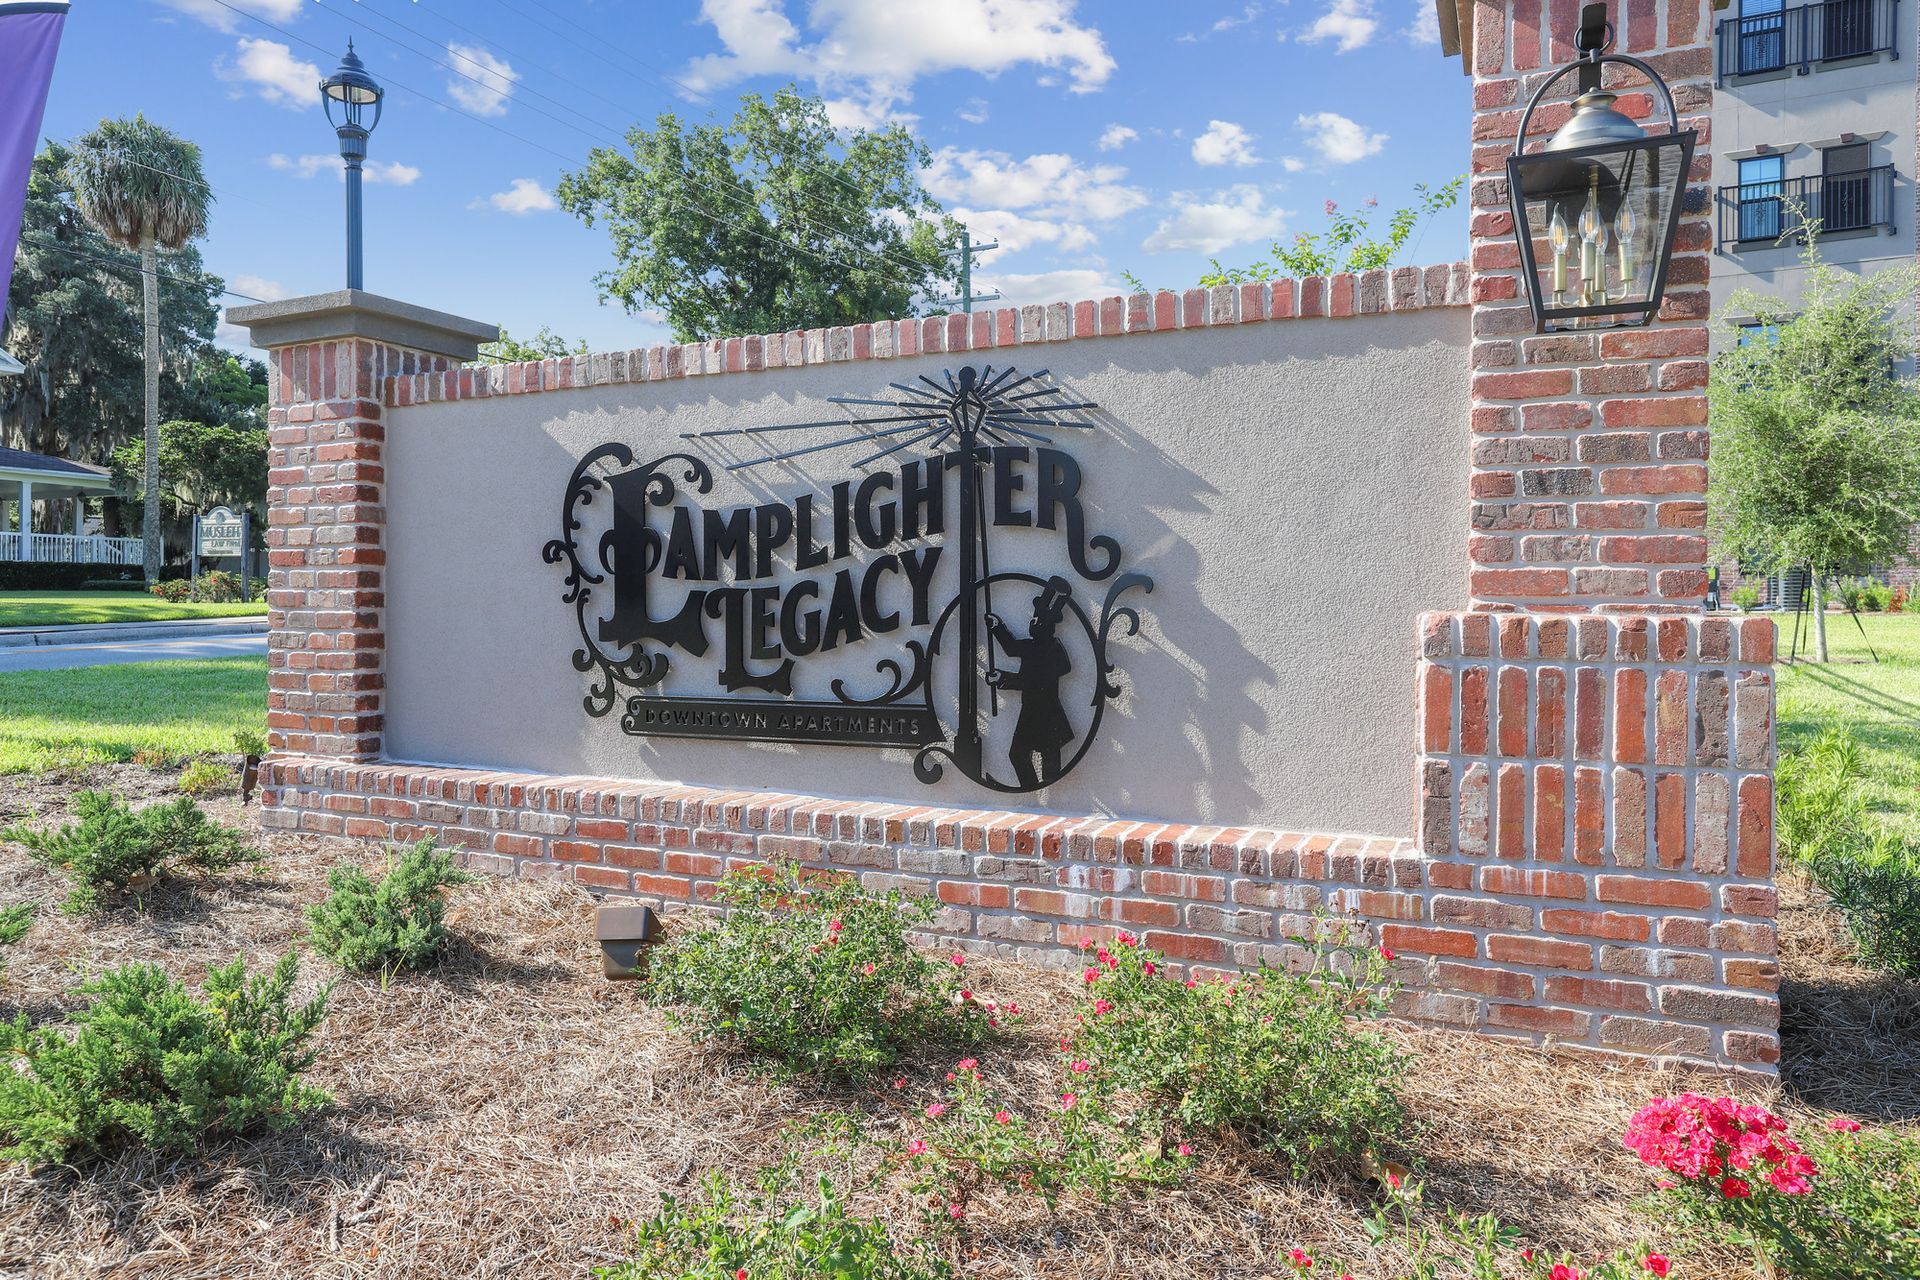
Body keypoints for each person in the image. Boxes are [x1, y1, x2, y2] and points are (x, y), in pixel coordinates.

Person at [985, 576, 1075, 790]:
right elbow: (1011, 647)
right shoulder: (1033, 645)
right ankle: (1032, 790)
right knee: (1019, 755)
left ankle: (1047, 796)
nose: (1033, 622)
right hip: (1031, 711)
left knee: (1047, 758)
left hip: (1046, 713)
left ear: (1047, 624)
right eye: (1034, 618)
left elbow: (1034, 680)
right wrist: (997, 627)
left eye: (1037, 619)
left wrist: (1003, 678)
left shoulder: (1053, 651)